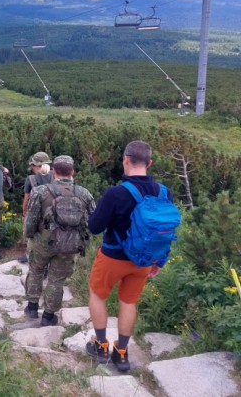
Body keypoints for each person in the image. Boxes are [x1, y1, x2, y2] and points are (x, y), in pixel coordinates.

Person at [85, 140, 176, 372]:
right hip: (144, 261)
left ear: (125, 160)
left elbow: (94, 227)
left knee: (97, 295)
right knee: (129, 302)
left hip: (113, 257)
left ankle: (101, 346)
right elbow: (166, 232)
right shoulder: (165, 193)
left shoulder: (116, 193)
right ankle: (122, 353)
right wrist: (159, 261)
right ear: (150, 163)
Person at [23, 155, 95, 327]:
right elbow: (93, 220)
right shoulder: (84, 193)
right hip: (69, 245)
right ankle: (48, 316)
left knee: (36, 271)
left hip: (43, 242)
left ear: (54, 172)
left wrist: (30, 236)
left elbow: (31, 220)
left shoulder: (40, 191)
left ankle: (32, 308)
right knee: (56, 280)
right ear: (72, 172)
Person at [19, 151, 53, 263]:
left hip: (36, 211)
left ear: (36, 166)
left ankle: (29, 255)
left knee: (31, 234)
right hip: (53, 211)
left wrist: (24, 212)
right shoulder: (55, 175)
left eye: (32, 165)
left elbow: (27, 198)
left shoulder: (31, 179)